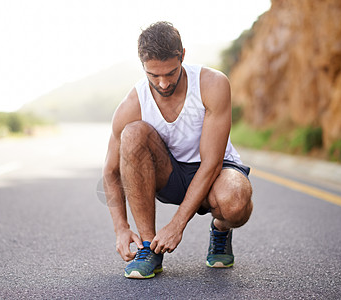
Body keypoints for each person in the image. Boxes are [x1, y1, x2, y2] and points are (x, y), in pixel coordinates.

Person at [103, 21, 253, 279]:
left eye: (170, 73)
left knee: (235, 202)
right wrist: (121, 227)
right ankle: (149, 248)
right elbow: (110, 171)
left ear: (182, 55)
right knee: (133, 132)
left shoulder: (212, 84)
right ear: (142, 66)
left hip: (214, 172)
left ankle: (220, 228)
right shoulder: (132, 103)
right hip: (169, 175)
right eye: (153, 75)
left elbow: (212, 164)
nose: (162, 84)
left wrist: (176, 224)